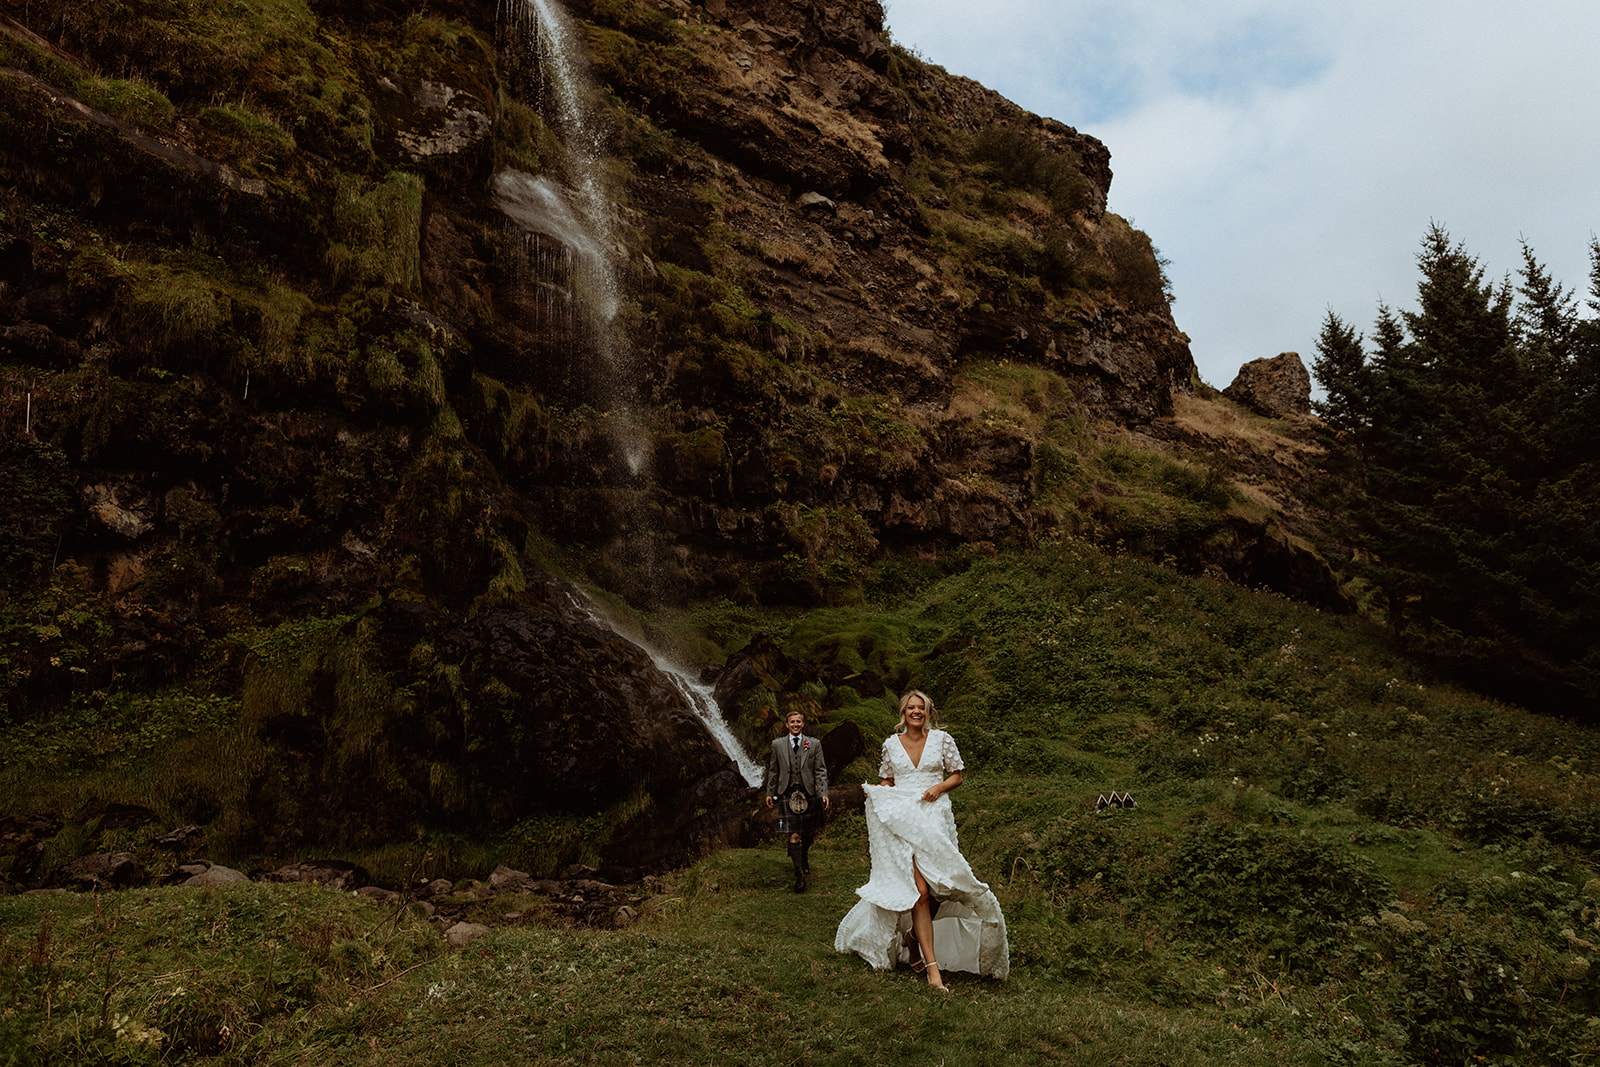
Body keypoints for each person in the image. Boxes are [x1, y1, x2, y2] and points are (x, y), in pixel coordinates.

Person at [834, 690, 1009, 990]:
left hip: (935, 818)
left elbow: (958, 775)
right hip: (904, 820)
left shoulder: (942, 740)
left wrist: (939, 788)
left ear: (928, 712)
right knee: (920, 892)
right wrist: (877, 792)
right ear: (903, 712)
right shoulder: (891, 744)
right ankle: (932, 970)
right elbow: (889, 781)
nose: (917, 712)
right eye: (911, 708)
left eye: (922, 708)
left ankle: (913, 937)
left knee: (944, 887)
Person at [764, 709, 830, 892]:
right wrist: (770, 792)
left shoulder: (813, 744)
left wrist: (823, 792)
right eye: (792, 722)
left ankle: (804, 855)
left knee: (809, 832)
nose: (795, 725)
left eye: (798, 722)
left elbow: (820, 770)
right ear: (787, 725)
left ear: (803, 724)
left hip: (809, 792)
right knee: (793, 834)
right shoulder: (777, 745)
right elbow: (773, 771)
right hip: (787, 792)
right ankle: (799, 875)